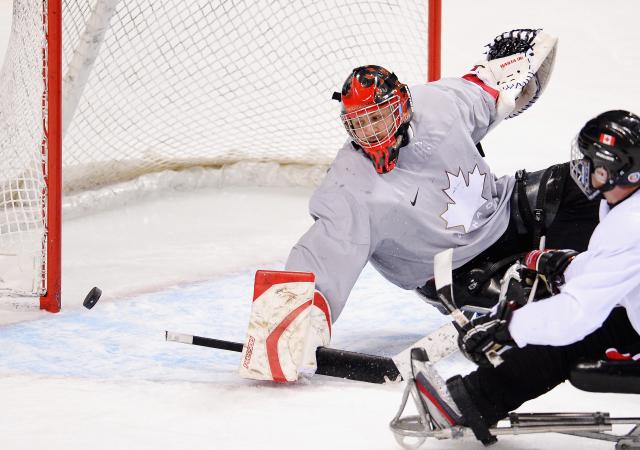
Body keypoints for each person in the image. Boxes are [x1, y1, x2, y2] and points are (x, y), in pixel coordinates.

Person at [237, 29, 602, 383]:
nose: (371, 132)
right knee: (558, 307)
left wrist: (516, 72)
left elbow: (487, 87)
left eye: (377, 118)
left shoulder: (439, 104)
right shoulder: (349, 187)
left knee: (592, 182)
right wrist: (291, 326)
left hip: (507, 210)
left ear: (402, 105)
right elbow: (323, 256)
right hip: (458, 274)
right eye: (359, 125)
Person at [412, 110, 640, 444]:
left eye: (591, 162)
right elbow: (633, 265)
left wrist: (508, 329)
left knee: (572, 339)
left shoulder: (631, 227)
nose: (583, 168)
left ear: (610, 170)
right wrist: (570, 267)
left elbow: (576, 316)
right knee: (587, 316)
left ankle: (471, 402)